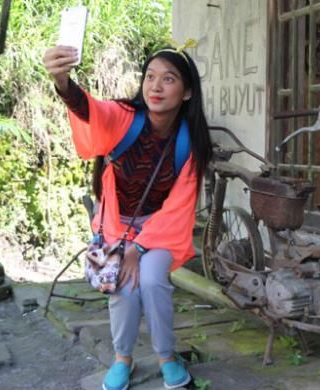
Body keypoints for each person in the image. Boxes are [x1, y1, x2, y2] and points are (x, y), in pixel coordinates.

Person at [43, 44, 211, 390]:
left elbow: (180, 205)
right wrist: (63, 82)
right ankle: (123, 358)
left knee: (151, 280)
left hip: (160, 229)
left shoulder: (190, 143)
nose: (156, 87)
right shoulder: (124, 116)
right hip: (117, 226)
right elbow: (92, 111)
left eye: (168, 79)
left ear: (187, 92)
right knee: (124, 283)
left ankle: (167, 356)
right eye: (150, 77)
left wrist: (142, 245)